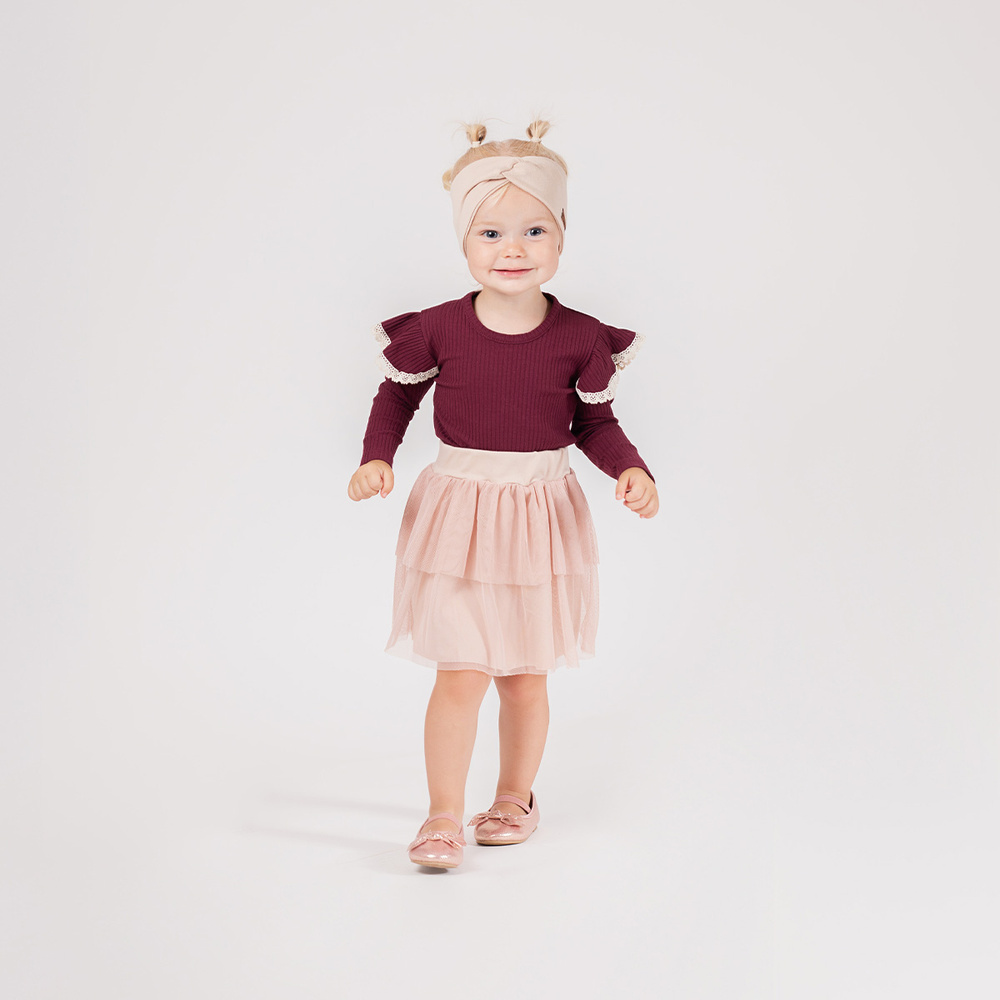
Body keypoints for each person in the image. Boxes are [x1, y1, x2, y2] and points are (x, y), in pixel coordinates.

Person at [348, 120, 658, 870]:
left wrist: (630, 468)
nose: (512, 249)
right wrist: (376, 457)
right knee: (459, 671)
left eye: (533, 231)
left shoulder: (579, 336)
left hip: (538, 514)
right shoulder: (438, 328)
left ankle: (515, 796)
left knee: (523, 676)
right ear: (464, 241)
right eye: (490, 233)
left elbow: (594, 422)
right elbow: (396, 397)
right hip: (460, 512)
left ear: (561, 237)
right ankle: (442, 813)